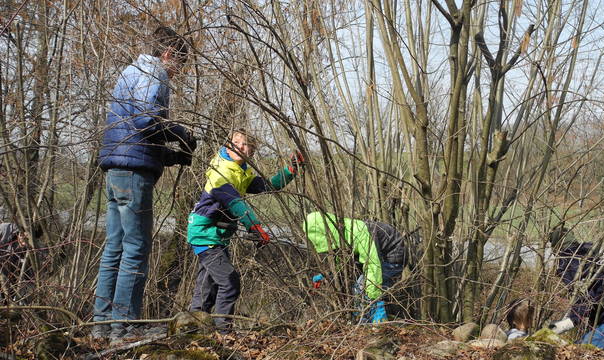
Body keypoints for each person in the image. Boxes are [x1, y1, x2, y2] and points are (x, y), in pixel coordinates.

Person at [93, 25, 197, 343]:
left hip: (116, 169)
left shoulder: (130, 70)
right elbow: (146, 121)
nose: (178, 73)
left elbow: (133, 135)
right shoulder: (155, 74)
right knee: (136, 248)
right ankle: (123, 327)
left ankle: (101, 325)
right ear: (168, 55)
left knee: (114, 247)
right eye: (179, 64)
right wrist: (181, 134)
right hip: (134, 176)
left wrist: (171, 157)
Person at [187, 129, 304, 331]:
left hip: (216, 236)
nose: (240, 146)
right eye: (236, 142)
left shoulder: (241, 172)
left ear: (251, 152)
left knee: (207, 288)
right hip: (205, 234)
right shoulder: (220, 171)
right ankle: (224, 332)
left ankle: (191, 329)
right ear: (227, 145)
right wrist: (255, 227)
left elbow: (268, 185)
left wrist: (290, 170)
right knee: (229, 282)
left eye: (245, 144)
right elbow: (234, 202)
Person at [302, 211, 409, 324]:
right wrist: (328, 276)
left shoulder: (358, 232)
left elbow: (373, 265)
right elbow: (342, 264)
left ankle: (370, 323)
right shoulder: (342, 236)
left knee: (362, 287)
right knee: (360, 289)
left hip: (393, 255)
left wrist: (376, 301)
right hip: (379, 257)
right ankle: (364, 322)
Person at [0, 222, 43, 304]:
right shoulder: (5, 230)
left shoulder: (36, 253)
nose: (24, 240)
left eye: (28, 239)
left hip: (12, 281)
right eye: (22, 235)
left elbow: (30, 280)